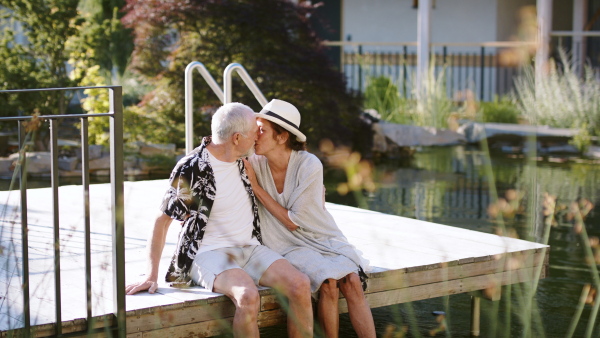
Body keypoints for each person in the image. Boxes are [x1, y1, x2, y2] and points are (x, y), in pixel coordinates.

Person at [125, 102, 313, 338]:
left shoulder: (246, 162)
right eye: (255, 133)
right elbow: (161, 221)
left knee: (300, 284)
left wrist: (314, 190)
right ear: (236, 138)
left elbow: (284, 168)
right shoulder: (192, 168)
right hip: (209, 253)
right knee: (248, 295)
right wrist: (151, 275)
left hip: (251, 248)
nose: (258, 138)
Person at [243, 99, 376, 338]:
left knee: (352, 282)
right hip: (286, 244)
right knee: (329, 283)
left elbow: (294, 221)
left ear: (282, 137)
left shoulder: (308, 164)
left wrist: (256, 188)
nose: (255, 135)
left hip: (323, 236)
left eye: (261, 130)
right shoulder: (252, 162)